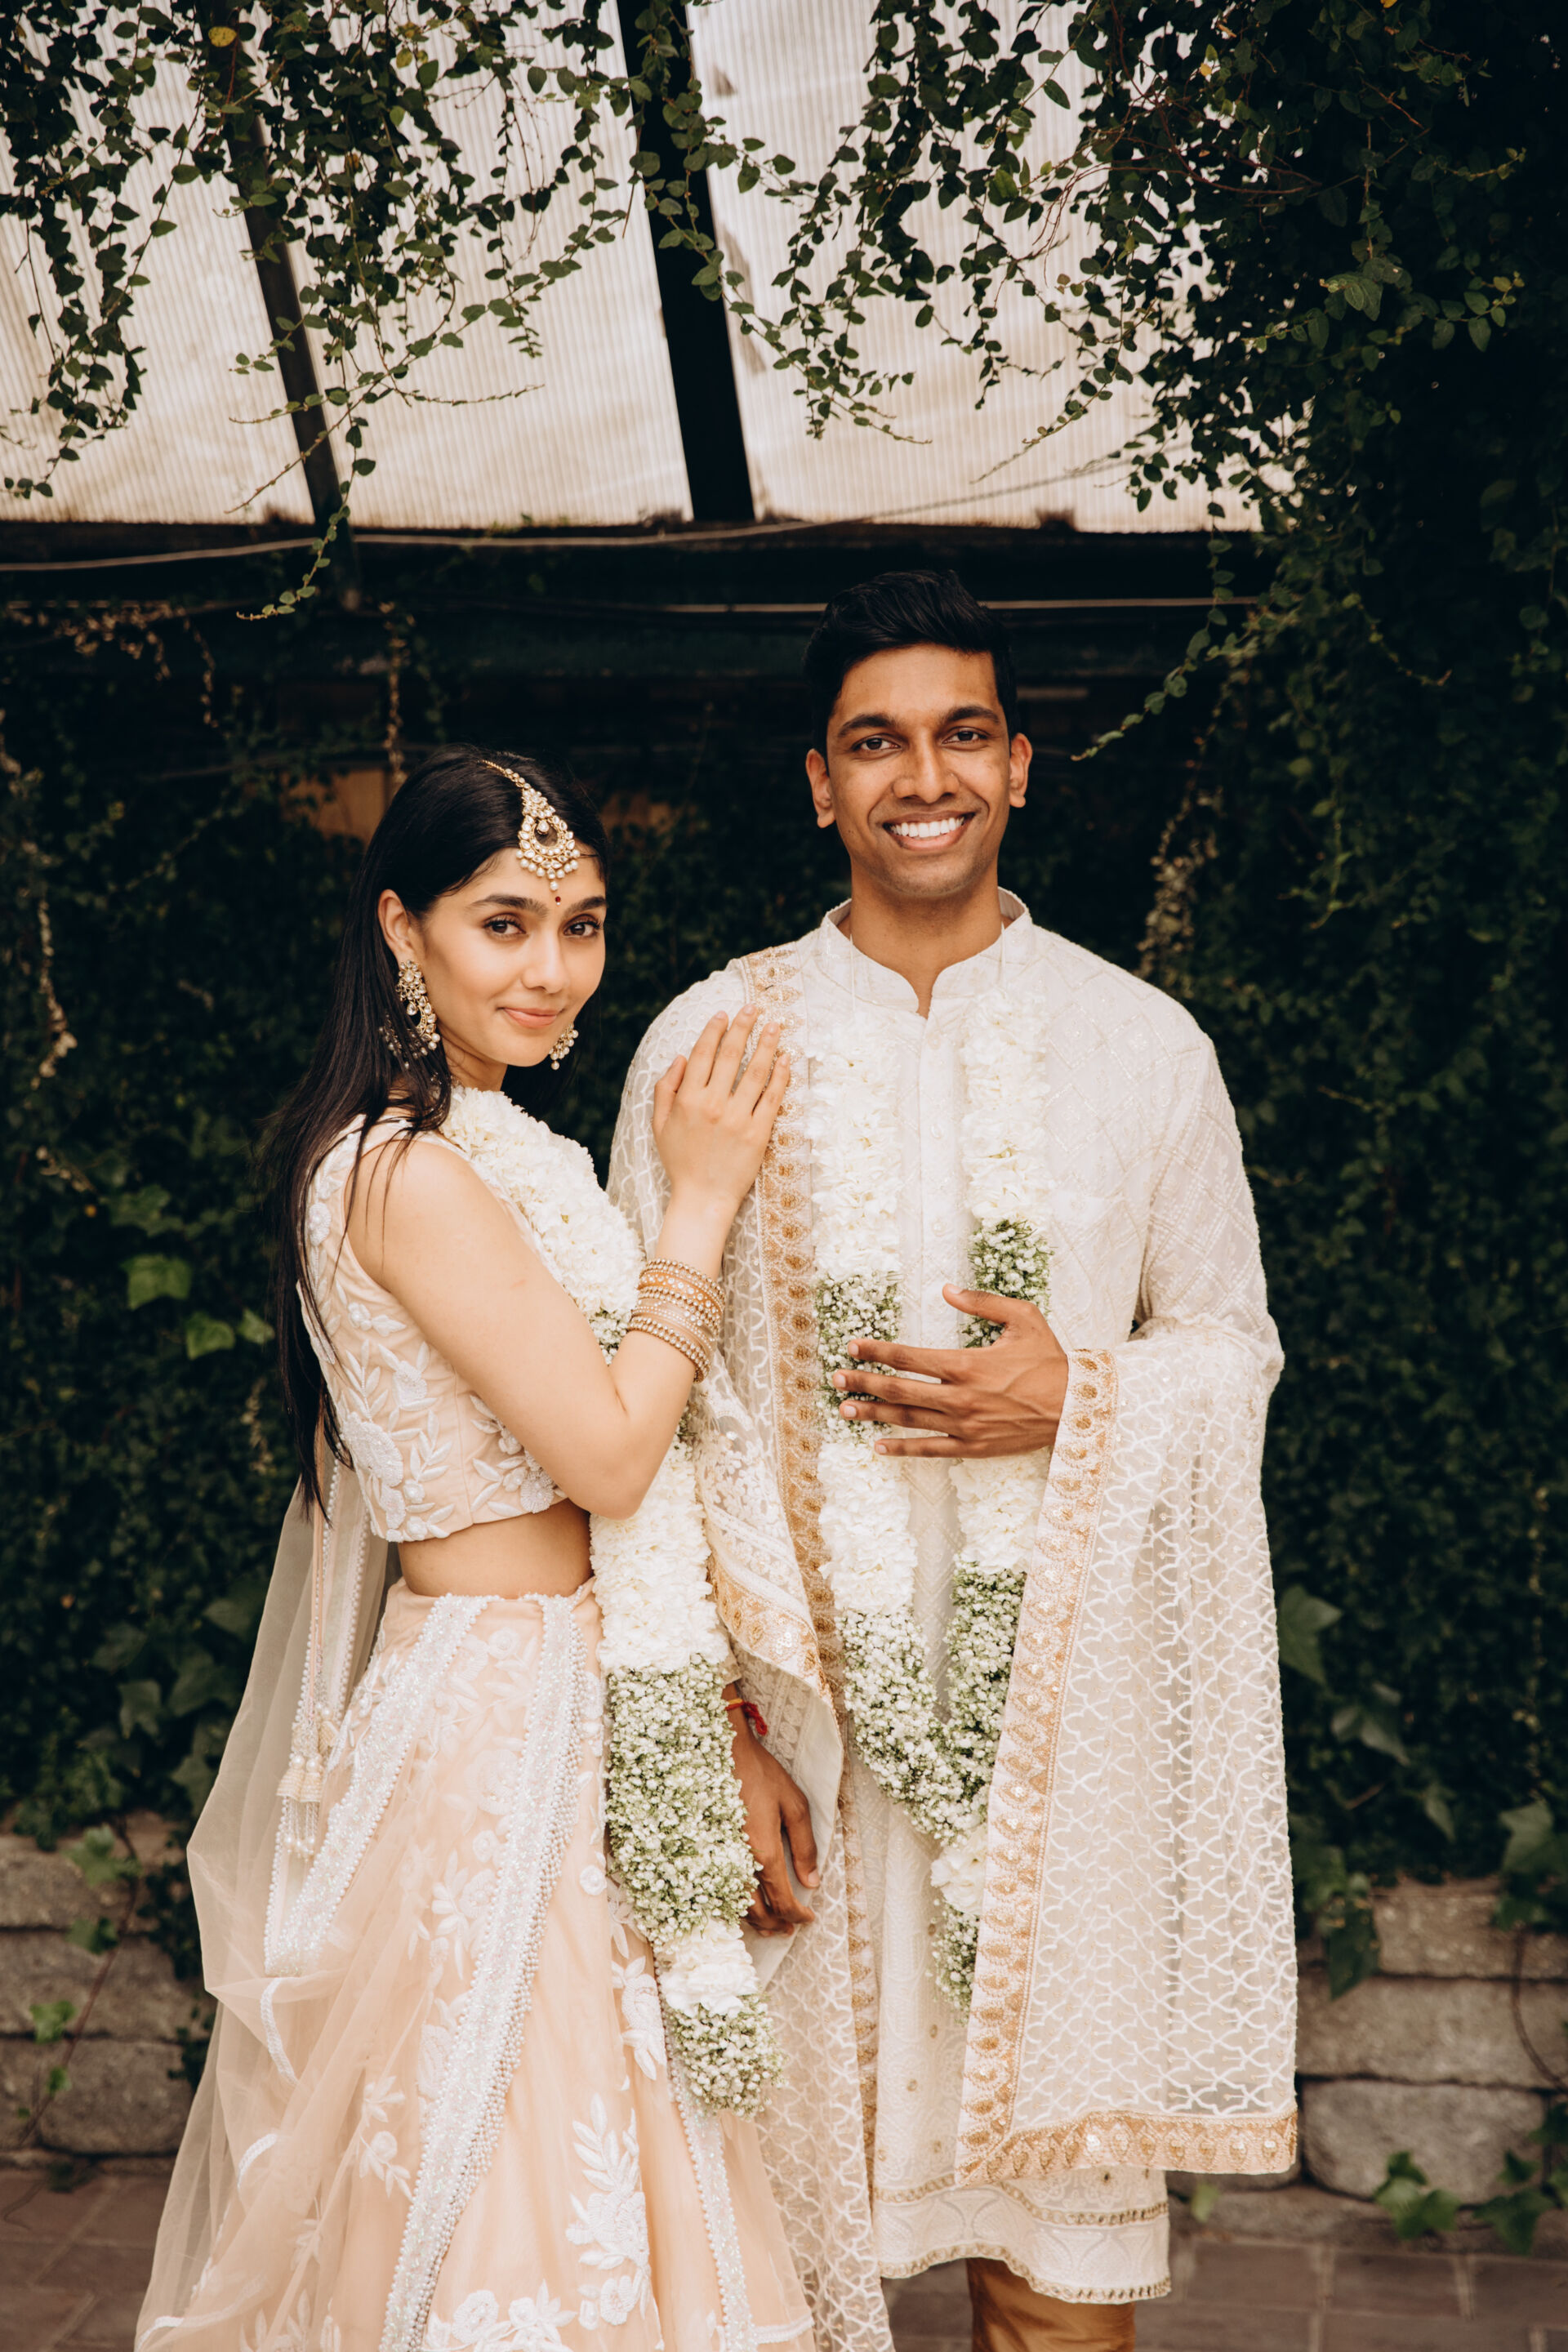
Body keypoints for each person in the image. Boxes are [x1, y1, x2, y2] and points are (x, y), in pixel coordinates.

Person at [609, 572, 1298, 2350]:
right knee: (750, 2281)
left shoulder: (1143, 1047)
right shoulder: (710, 1041)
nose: (926, 776)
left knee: (1054, 2292)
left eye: (963, 733)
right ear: (819, 783)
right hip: (800, 1753)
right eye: (877, 742)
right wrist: (718, 1734)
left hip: (1063, 1758)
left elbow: (1235, 1347)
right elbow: (641, 1416)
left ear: (1020, 764)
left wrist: (1082, 1394)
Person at [137, 745, 818, 2352]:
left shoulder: (503, 1149)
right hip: (498, 1728)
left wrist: (715, 1716)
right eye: (504, 923)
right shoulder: (405, 1174)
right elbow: (611, 1451)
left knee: (604, 2159)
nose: (552, 968)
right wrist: (703, 1205)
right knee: (500, 2159)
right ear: (403, 928)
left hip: (571, 1693)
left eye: (582, 925)